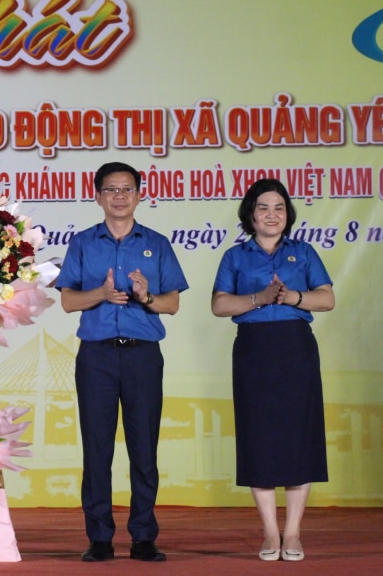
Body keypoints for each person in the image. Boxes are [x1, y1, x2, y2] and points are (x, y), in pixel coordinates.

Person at [55, 161, 188, 563]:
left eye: (127, 189)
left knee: (144, 450)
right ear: (98, 196)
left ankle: (144, 537)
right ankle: (99, 538)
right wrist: (101, 292)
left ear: (138, 195)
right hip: (95, 357)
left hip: (143, 357)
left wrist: (145, 297)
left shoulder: (158, 243)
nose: (119, 196)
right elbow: (67, 301)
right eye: (111, 190)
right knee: (97, 450)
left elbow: (173, 304)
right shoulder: (82, 243)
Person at [211, 178, 334, 562]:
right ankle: (269, 533)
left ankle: (293, 533)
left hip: (296, 349)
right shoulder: (235, 256)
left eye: (279, 208)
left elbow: (327, 298)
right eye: (263, 208)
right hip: (254, 352)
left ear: (288, 214)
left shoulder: (305, 252)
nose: (271, 215)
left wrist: (293, 297)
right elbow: (218, 305)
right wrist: (259, 299)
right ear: (251, 214)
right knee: (259, 440)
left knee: (299, 439)